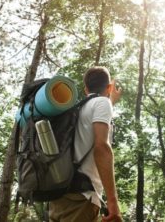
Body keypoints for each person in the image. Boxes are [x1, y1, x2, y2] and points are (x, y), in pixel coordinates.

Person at [49, 66, 123, 222]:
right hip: (82, 198)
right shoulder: (102, 103)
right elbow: (101, 148)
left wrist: (110, 101)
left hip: (60, 196)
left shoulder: (78, 108)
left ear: (85, 89)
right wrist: (112, 201)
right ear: (109, 87)